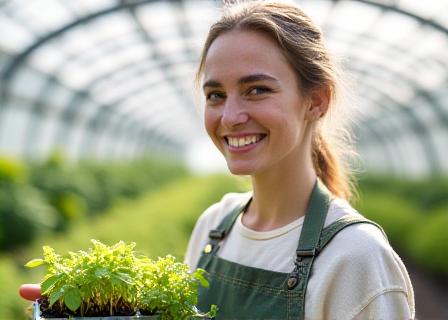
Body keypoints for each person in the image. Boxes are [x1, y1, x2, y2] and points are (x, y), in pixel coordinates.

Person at [21, 1, 415, 319]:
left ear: (316, 100)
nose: (229, 117)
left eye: (257, 89)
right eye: (215, 95)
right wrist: (93, 309)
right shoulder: (215, 228)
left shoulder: (354, 258)